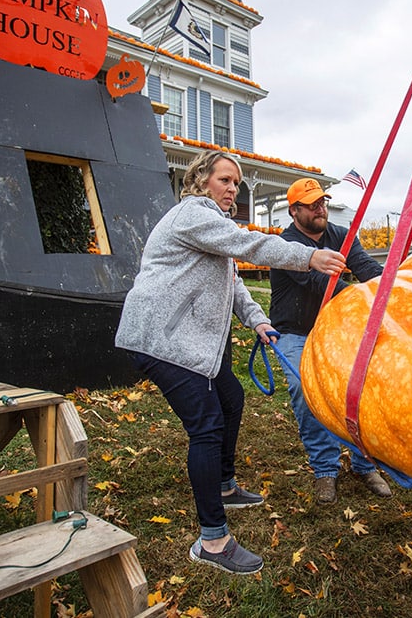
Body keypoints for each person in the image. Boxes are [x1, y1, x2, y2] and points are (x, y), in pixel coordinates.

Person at [116, 152, 346, 575]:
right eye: (225, 180)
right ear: (202, 181)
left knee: (232, 398)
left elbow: (234, 280)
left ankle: (223, 485)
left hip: (186, 341)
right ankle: (212, 540)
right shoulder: (191, 215)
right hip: (161, 338)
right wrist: (305, 256)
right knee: (206, 426)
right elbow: (250, 244)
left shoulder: (212, 229)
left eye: (237, 183)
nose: (232, 189)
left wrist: (258, 320)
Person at [269, 178, 393, 505]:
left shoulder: (341, 235)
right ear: (294, 211)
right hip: (296, 331)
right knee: (305, 391)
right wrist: (363, 298)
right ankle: (325, 468)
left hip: (336, 326)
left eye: (322, 201)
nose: (320, 208)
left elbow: (366, 267)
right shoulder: (288, 244)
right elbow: (321, 284)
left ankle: (364, 463)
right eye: (311, 205)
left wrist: (392, 288)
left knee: (360, 389)